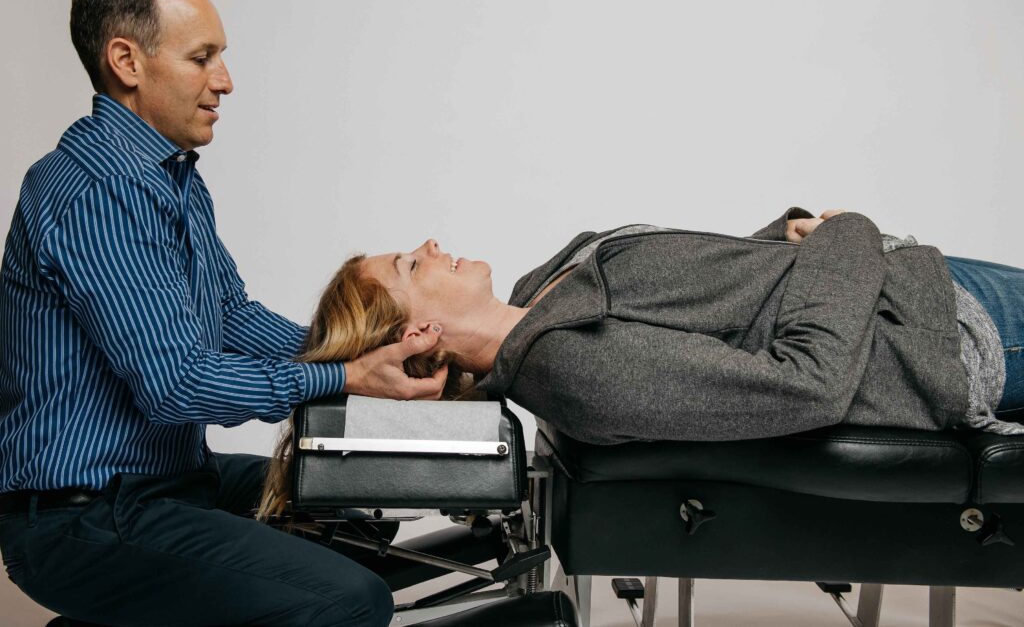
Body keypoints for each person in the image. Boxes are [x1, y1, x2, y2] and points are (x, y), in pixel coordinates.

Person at [0, 0, 446, 627]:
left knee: (352, 520)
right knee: (350, 599)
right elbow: (174, 385)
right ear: (127, 60)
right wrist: (343, 375)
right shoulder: (99, 192)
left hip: (166, 483)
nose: (225, 81)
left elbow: (230, 314)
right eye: (202, 57)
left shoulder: (169, 178)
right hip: (85, 517)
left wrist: (364, 354)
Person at [259, 206, 1024, 515]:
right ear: (419, 334)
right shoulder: (570, 368)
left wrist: (784, 233)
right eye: (410, 267)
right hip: (945, 330)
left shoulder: (539, 291)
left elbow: (715, 300)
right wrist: (847, 229)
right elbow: (806, 382)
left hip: (915, 284)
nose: (428, 246)